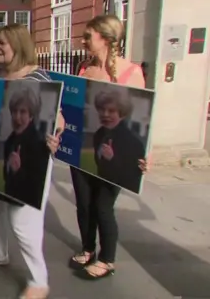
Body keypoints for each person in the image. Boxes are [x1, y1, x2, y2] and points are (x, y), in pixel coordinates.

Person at [0, 23, 64, 299]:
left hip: (34, 157)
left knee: (23, 221)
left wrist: (56, 134)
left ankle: (39, 280)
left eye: (1, 43)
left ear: (17, 45)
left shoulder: (38, 78)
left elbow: (59, 117)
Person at [69, 15, 148, 280]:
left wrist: (145, 153)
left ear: (105, 38)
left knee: (103, 206)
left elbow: (141, 120)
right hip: (85, 147)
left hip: (117, 152)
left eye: (88, 36)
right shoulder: (83, 68)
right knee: (84, 203)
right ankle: (88, 248)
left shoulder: (131, 72)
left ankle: (107, 259)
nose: (83, 41)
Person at [3, 86, 52, 209]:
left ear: (31, 116)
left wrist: (18, 171)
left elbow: (37, 189)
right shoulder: (10, 141)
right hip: (8, 202)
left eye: (23, 112)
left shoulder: (39, 144)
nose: (17, 117)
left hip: (25, 210)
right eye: (14, 111)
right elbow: (6, 177)